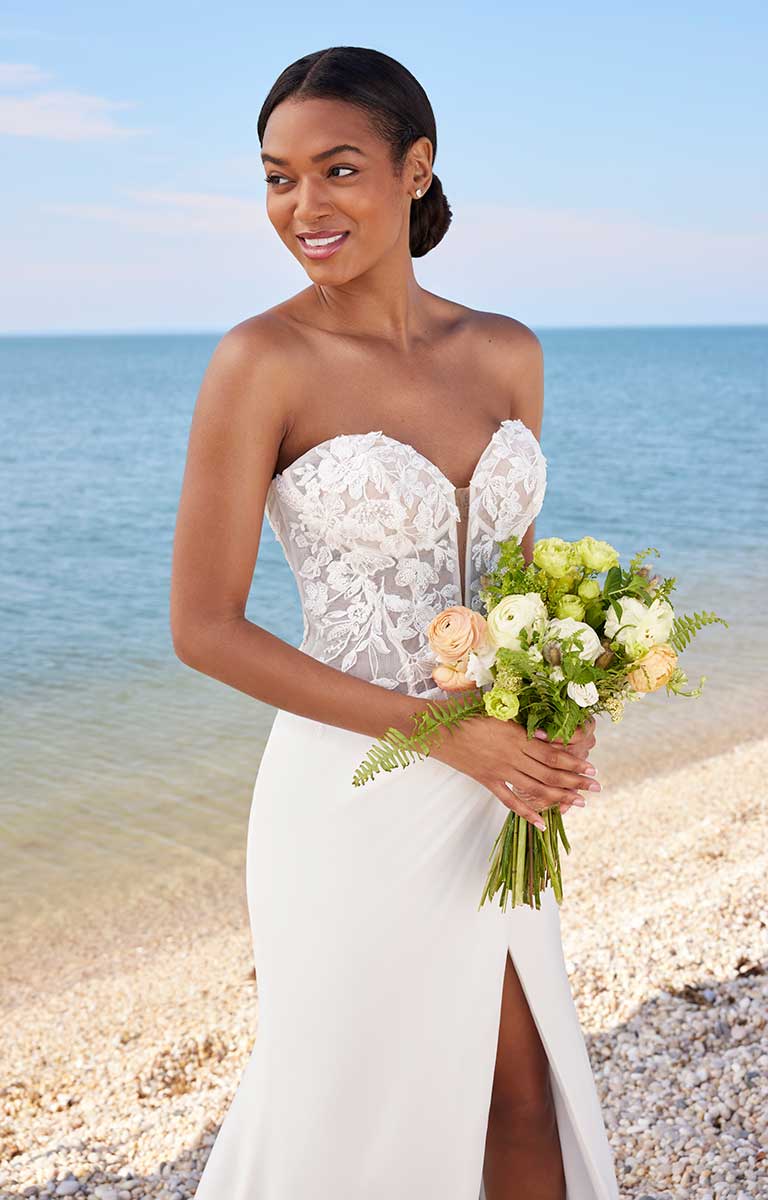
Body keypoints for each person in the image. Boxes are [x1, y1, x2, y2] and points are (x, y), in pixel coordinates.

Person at [170, 44, 621, 1200]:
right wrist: (440, 733)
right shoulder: (261, 360)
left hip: (495, 788)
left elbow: (518, 591)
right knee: (351, 1117)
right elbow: (205, 628)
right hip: (352, 792)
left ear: (416, 169)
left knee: (520, 1092)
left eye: (337, 169)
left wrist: (559, 704)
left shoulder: (507, 350)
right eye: (278, 178)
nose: (303, 206)